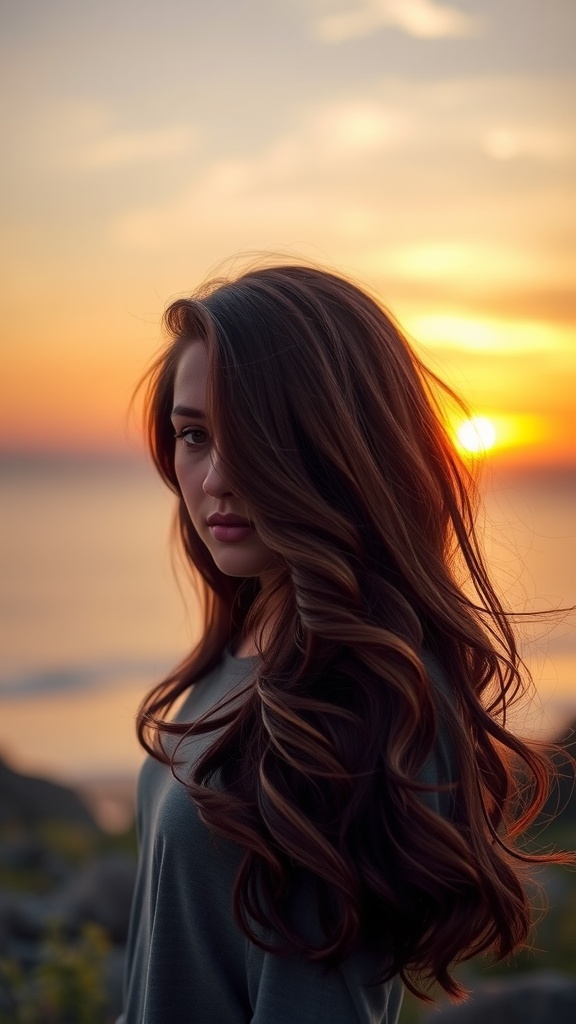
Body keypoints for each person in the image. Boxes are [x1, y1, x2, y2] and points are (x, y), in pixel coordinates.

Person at [118, 264, 569, 1024]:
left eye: (258, 438)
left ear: (341, 444)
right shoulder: (252, 644)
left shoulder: (357, 701)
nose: (216, 477)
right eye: (194, 435)